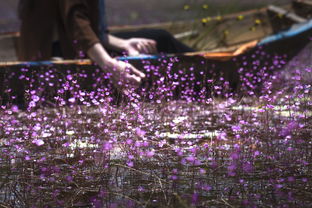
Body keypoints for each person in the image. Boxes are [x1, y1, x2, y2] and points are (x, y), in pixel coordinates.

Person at [18, 0, 193, 93]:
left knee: (160, 38)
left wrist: (123, 43)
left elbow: (90, 31)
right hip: (59, 51)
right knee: (162, 39)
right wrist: (109, 65)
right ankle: (212, 73)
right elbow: (76, 24)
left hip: (70, 44)